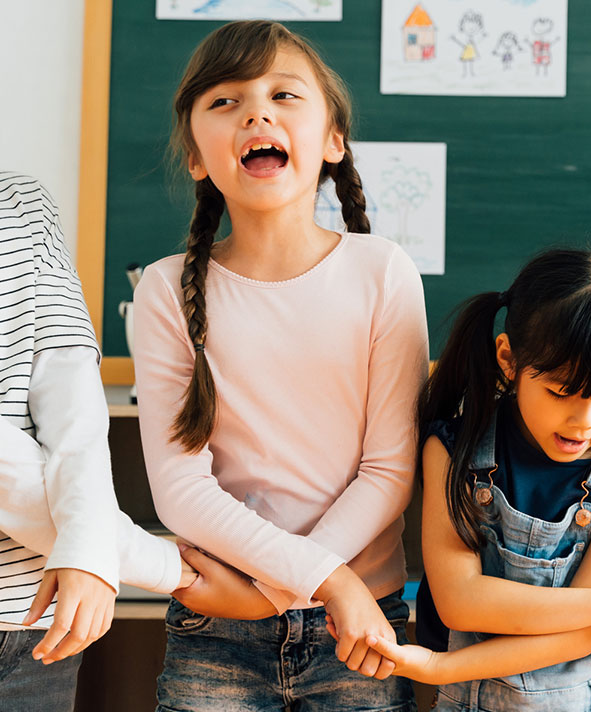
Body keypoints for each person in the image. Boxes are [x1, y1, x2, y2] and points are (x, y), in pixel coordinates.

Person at [132, 21, 427, 711]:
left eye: (284, 95)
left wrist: (281, 591)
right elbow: (180, 492)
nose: (258, 113)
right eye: (226, 102)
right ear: (197, 156)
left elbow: (389, 470)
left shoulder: (382, 272)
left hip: (356, 630)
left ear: (332, 141)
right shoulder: (164, 289)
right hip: (219, 635)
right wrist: (332, 580)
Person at [360, 248, 591, 711]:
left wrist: (440, 669)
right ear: (509, 359)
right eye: (561, 392)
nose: (585, 421)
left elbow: (581, 636)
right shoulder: (453, 449)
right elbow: (462, 601)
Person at [0, 171, 194, 711]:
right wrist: (163, 567)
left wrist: (89, 550)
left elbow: (71, 391)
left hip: (31, 620)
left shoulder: (21, 201)